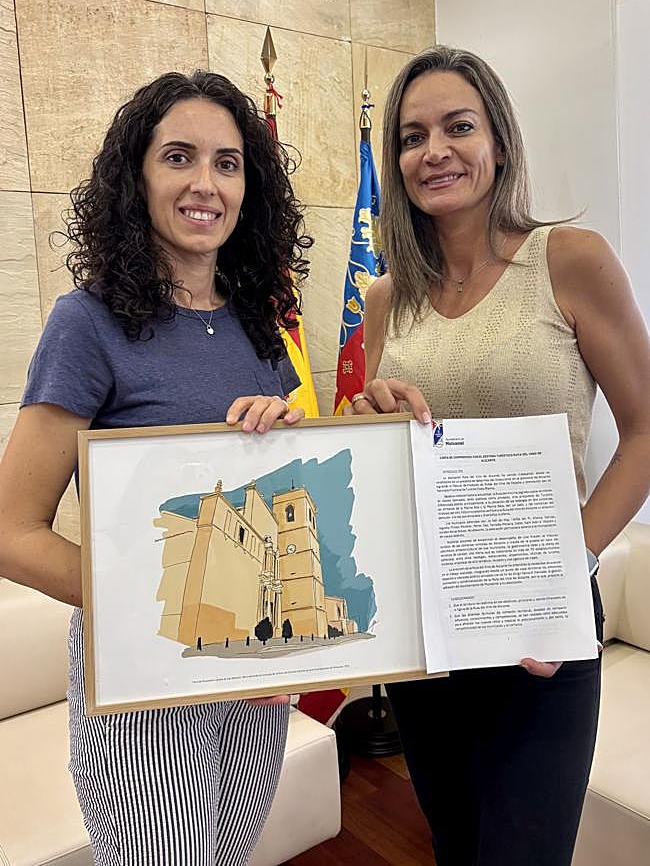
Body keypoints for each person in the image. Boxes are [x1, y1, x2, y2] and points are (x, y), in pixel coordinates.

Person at [0, 70, 312, 866]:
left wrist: (289, 439)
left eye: (228, 163)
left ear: (252, 187)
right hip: (142, 676)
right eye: (179, 157)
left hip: (251, 664)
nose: (206, 183)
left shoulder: (261, 325)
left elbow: (274, 490)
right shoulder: (88, 322)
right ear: (136, 178)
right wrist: (155, 604)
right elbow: (11, 532)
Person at [350, 45, 650, 866]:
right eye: (413, 136)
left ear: (500, 143)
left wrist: (567, 565)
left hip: (539, 630)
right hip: (425, 632)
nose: (434, 150)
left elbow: (646, 432)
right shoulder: (385, 297)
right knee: (455, 845)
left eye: (458, 126)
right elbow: (389, 449)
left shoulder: (570, 259)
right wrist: (368, 417)